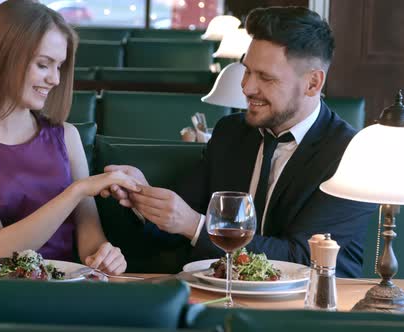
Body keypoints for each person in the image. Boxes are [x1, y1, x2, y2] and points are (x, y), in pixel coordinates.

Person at [103, 6, 376, 277]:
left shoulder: (353, 156)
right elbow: (179, 219)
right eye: (247, 71)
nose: (247, 87)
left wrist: (196, 227)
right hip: (218, 297)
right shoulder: (230, 133)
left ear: (313, 84)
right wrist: (142, 197)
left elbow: (303, 258)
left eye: (265, 78)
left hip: (311, 309)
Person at [0, 0, 140, 275]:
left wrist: (105, 256)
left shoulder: (67, 136)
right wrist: (76, 190)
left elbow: (90, 242)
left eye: (60, 67)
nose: (55, 79)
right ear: (3, 58)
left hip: (63, 291)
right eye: (44, 65)